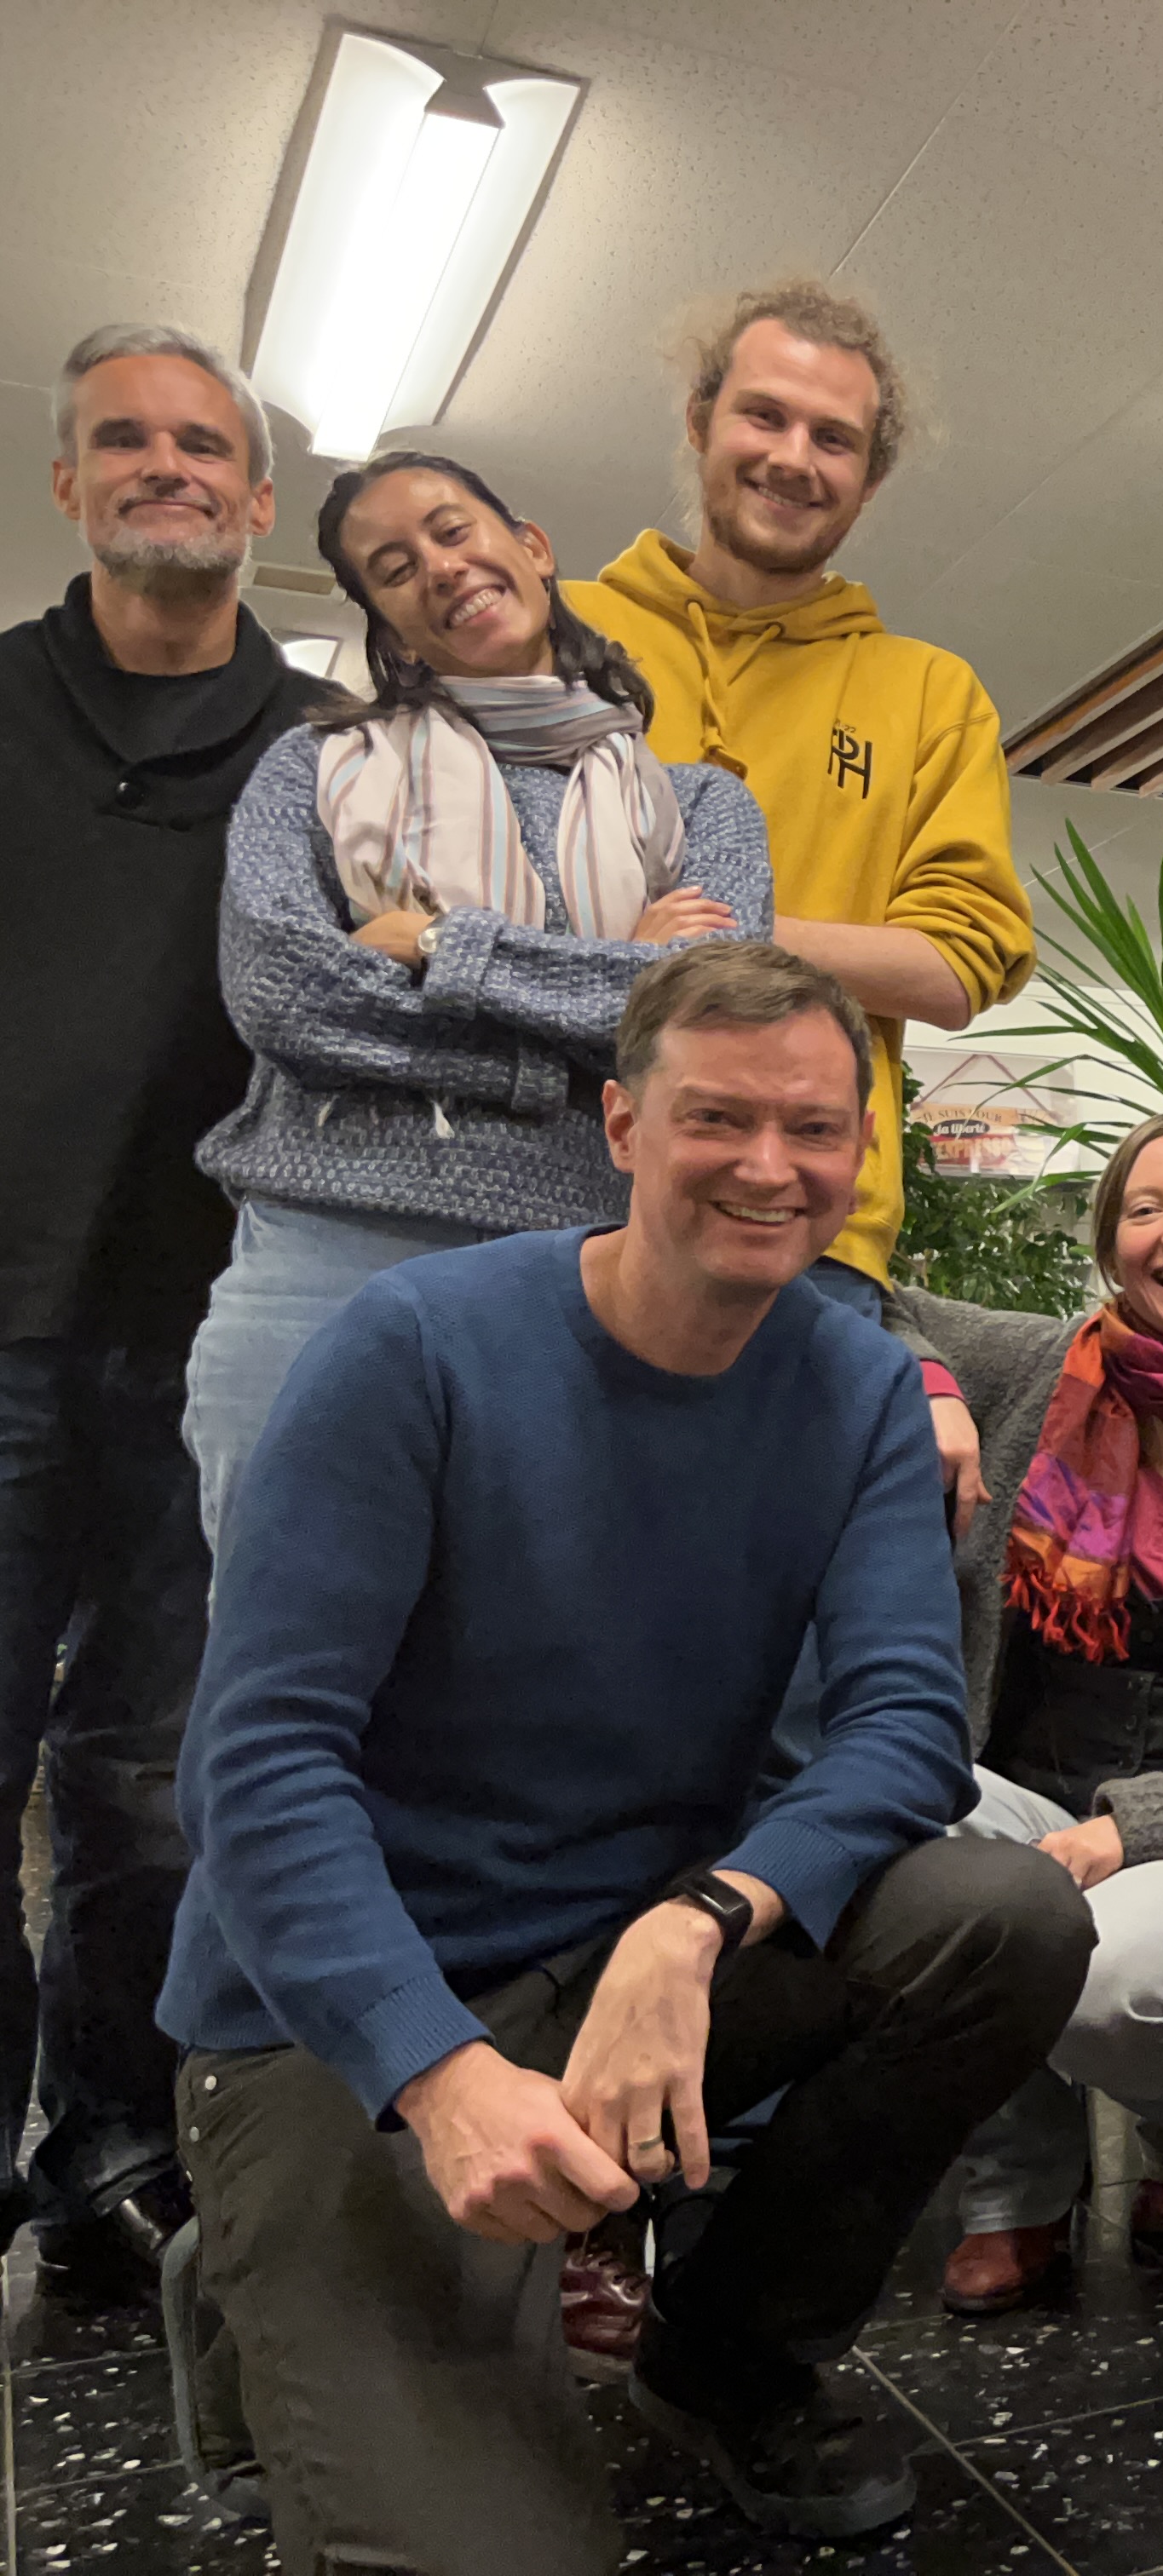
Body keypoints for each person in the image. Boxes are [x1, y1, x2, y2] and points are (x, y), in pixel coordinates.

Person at [161, 941, 1092, 2569]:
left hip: (625, 1958)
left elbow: (903, 1728)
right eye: (715, 1117)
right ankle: (258, 2258)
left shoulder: (859, 1388)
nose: (767, 1164)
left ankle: (721, 2361)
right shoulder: (415, 1349)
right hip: (343, 2014)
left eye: (812, 1127)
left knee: (1003, 1918)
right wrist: (432, 2071)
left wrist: (700, 1919)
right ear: (619, 1123)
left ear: (862, 1149)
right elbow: (256, 1759)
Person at [0, 323, 325, 2301]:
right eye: (125, 439)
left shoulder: (327, 752)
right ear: (68, 484)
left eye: (205, 446)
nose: (167, 467)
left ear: (260, 500)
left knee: (146, 1773)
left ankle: (104, 2131)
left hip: (218, 1336)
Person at [184, 450, 769, 1540]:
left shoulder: (704, 811)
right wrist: (588, 1024)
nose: (440, 570)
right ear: (388, 624)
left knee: (545, 1667)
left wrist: (445, 945)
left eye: (455, 531)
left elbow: (718, 1029)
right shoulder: (310, 769)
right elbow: (287, 994)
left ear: (534, 549)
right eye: (394, 567)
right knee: (293, 1662)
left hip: (595, 1271)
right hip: (325, 1257)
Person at [560, 278, 1031, 1529]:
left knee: (782, 1674)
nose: (794, 457)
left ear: (869, 480)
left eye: (836, 439)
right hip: (550, 1202)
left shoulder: (929, 693)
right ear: (702, 418)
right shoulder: (557, 637)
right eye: (765, 417)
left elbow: (963, 959)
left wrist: (718, 938)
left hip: (807, 1246)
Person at [899, 1111, 1163, 2314]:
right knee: (927, 1840)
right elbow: (853, 1291)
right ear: (1108, 1245)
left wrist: (1125, 1829)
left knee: (1108, 1966)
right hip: (1031, 1784)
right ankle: (1019, 2186)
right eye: (1145, 1209)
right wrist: (930, 1387)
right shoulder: (1037, 1371)